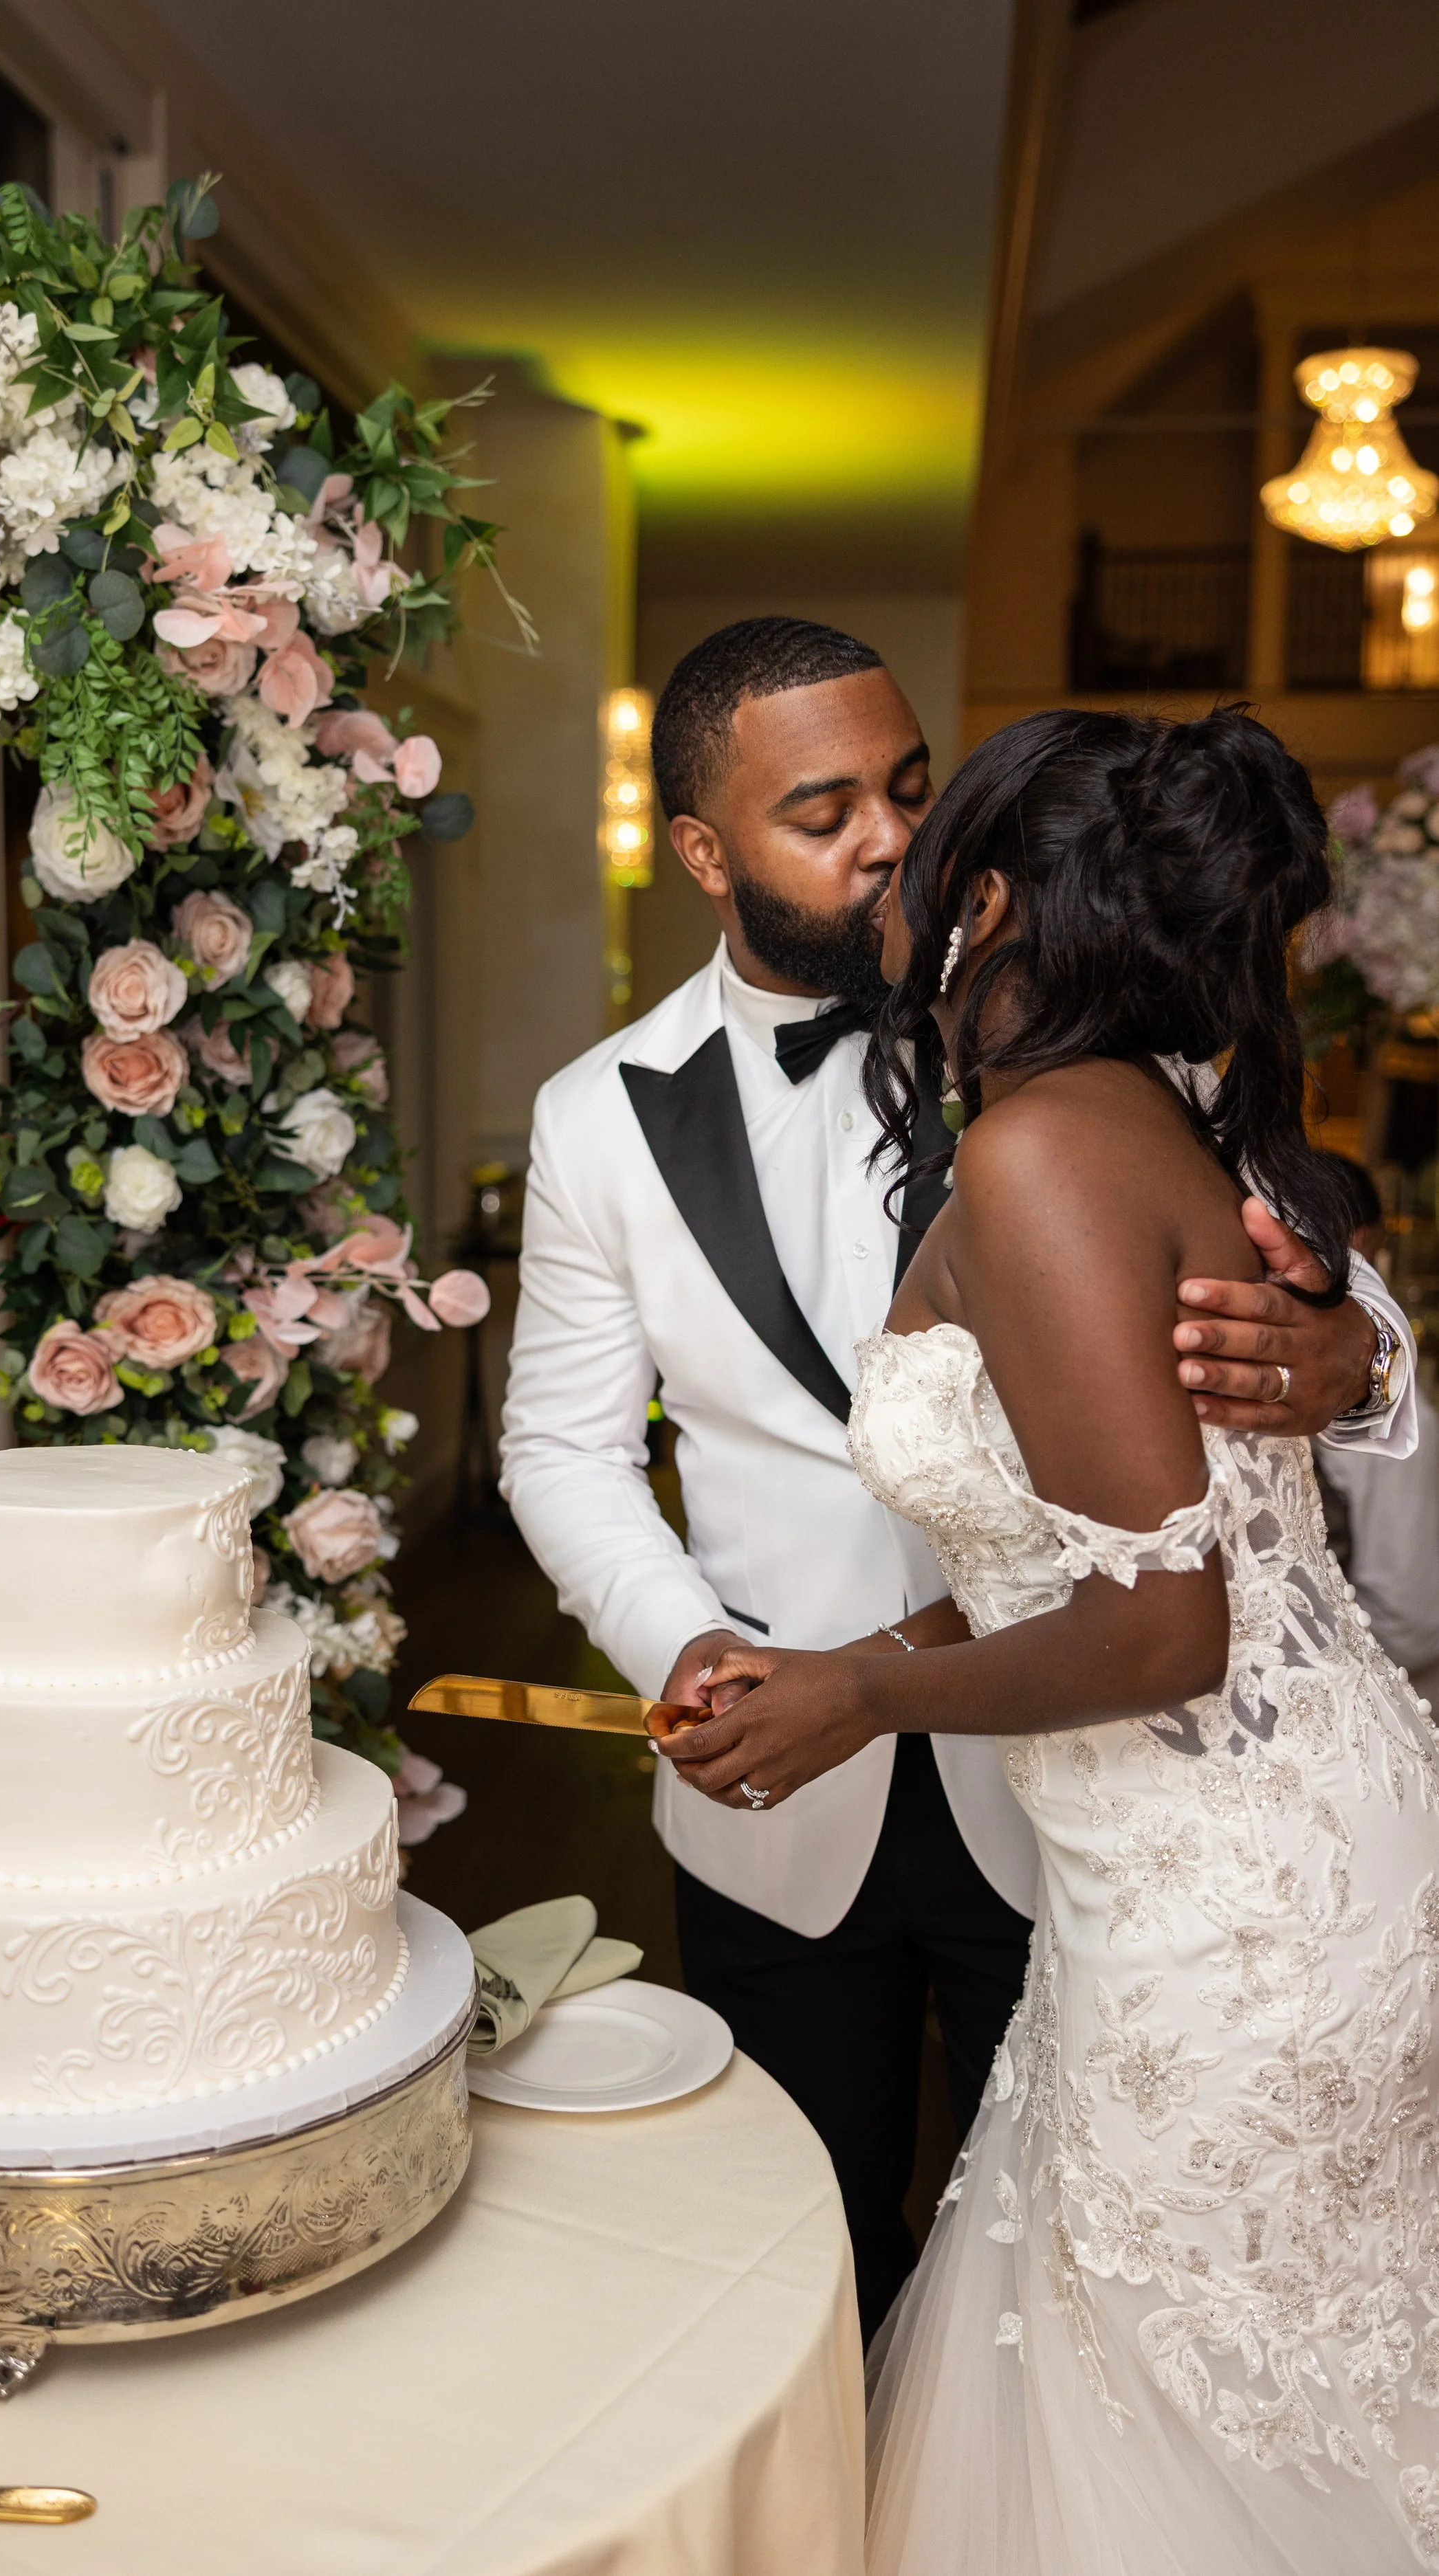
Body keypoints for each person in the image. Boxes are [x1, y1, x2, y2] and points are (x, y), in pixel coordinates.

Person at [498, 619, 1416, 2339]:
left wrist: (1356, 1351)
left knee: (1091, 2279)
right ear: (703, 850)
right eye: (823, 809)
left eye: (912, 789)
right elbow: (560, 1446)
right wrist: (692, 1653)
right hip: (781, 1770)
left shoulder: (1088, 1020)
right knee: (804, 2249)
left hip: (1089, 1782)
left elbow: (1284, 1234)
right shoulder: (598, 1116)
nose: (889, 840)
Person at [653, 704, 1439, 2572]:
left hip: (1228, 1897)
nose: (893, 864)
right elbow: (1077, 1537)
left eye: (926, 839)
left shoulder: (1047, 1151)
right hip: (1236, 1850)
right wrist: (875, 1642)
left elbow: (1161, 1621)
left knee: (1213, 2401)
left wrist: (862, 1688)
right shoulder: (1142, 1108)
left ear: (986, 897)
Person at [1312, 1152, 1439, 1696]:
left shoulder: (1380, 1391)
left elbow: (1410, 1619)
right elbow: (1412, 1615)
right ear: (1363, 1241)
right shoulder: (1372, 1384)